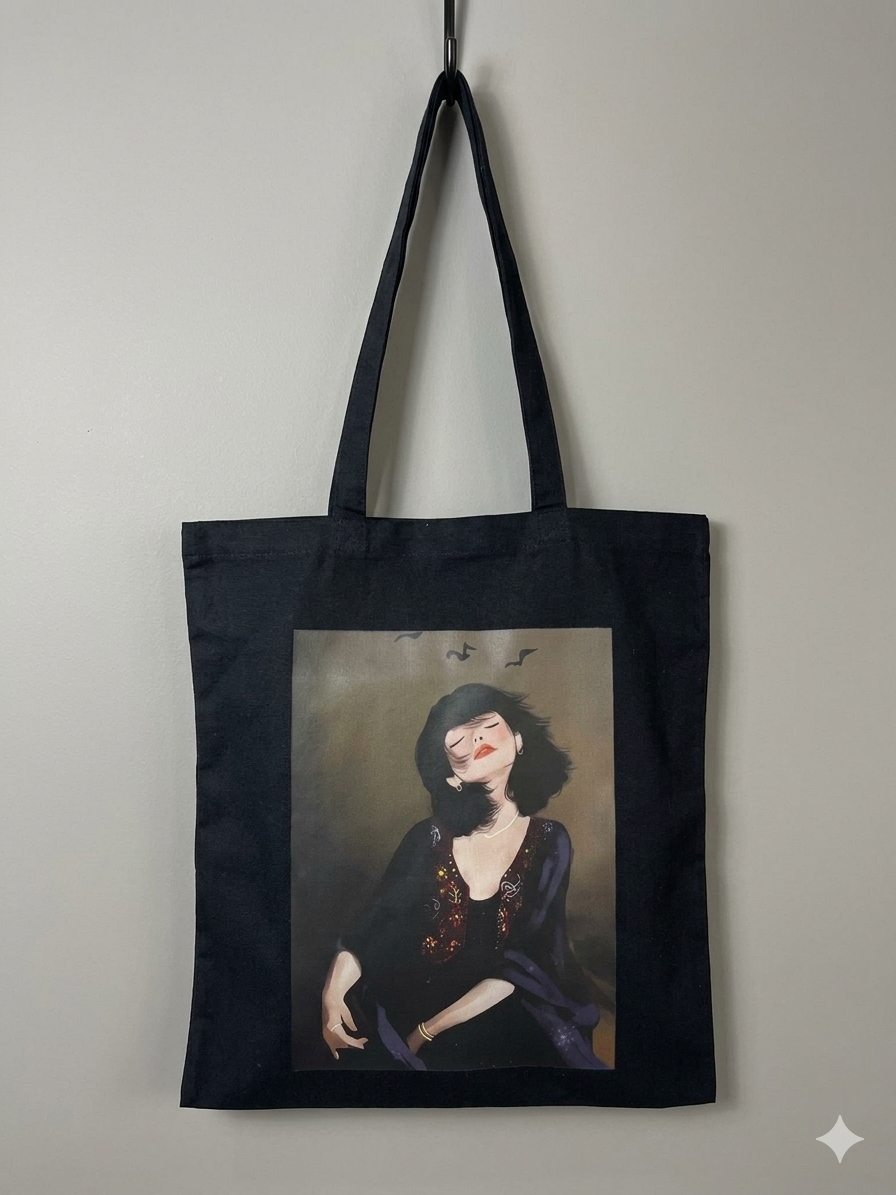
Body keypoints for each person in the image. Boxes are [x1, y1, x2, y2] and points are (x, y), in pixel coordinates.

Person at [320, 682, 608, 1070]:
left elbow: (523, 963)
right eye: (458, 740)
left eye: (487, 725)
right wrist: (332, 997)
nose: (476, 738)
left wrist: (427, 1032)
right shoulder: (427, 838)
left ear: (519, 740)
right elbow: (368, 932)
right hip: (414, 1007)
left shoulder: (550, 841)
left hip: (510, 1012)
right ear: (450, 775)